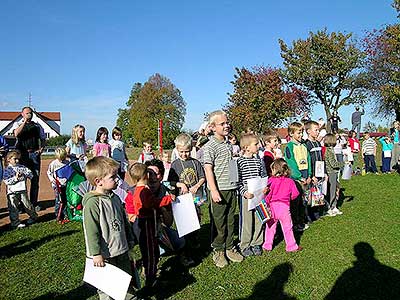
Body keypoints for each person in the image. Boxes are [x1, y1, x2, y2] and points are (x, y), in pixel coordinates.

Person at [82, 156, 137, 300]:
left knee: (125, 281)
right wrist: (96, 253)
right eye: (113, 177)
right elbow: (91, 230)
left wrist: (130, 239)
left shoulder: (115, 198)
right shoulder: (92, 203)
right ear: (98, 181)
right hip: (104, 255)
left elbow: (124, 221)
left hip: (121, 249)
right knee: (107, 288)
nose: (117, 179)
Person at [203, 110, 243, 268]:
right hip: (219, 189)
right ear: (212, 127)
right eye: (222, 124)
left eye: (227, 122)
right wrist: (213, 190)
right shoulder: (210, 146)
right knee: (219, 222)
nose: (227, 125)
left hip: (231, 187)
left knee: (230, 219)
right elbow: (208, 169)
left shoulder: (228, 143)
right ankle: (218, 249)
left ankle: (229, 247)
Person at [125, 162, 175, 288]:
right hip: (146, 223)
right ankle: (150, 277)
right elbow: (153, 203)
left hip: (145, 223)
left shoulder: (138, 190)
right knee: (150, 252)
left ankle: (150, 272)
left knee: (151, 249)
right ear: (145, 176)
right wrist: (168, 199)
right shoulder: (143, 192)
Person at [168, 133, 205, 264]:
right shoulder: (175, 164)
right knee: (184, 227)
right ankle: (184, 253)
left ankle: (194, 245)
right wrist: (180, 184)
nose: (184, 154)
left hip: (195, 199)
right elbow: (170, 182)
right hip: (182, 202)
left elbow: (202, 177)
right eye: (181, 152)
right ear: (177, 150)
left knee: (195, 223)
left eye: (187, 151)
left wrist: (197, 186)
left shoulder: (195, 163)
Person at [262, 158, 303, 252]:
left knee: (270, 227)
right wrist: (289, 198)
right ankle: (291, 246)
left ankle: (267, 245)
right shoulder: (290, 181)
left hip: (272, 207)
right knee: (288, 227)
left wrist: (266, 202)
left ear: (276, 170)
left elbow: (267, 194)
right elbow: (295, 194)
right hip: (284, 207)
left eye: (272, 169)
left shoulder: (271, 180)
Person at [236, 133, 265, 257]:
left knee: (259, 218)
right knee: (247, 221)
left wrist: (265, 188)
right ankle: (245, 244)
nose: (258, 146)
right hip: (246, 197)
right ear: (246, 147)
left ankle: (256, 242)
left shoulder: (258, 161)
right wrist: (244, 193)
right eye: (256, 144)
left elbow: (263, 176)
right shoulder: (239, 162)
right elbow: (237, 181)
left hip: (258, 195)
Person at [13, 106, 46, 211]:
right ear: (22, 114)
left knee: (35, 180)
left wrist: (41, 149)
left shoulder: (37, 126)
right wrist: (24, 122)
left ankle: (33, 203)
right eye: (27, 113)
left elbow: (43, 138)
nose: (29, 115)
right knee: (22, 180)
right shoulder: (18, 124)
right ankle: (23, 205)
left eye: (30, 113)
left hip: (34, 154)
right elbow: (16, 134)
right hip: (22, 155)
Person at [284, 122, 311, 232]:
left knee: (304, 200)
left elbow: (308, 160)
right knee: (296, 202)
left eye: (302, 132)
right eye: (299, 133)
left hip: (305, 176)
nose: (301, 135)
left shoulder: (304, 146)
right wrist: (299, 177)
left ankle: (303, 219)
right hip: (296, 179)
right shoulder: (289, 147)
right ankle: (295, 223)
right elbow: (291, 163)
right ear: (291, 133)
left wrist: (309, 174)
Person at [3, 150, 37, 229]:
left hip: (22, 190)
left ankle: (33, 217)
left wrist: (27, 174)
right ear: (9, 159)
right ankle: (15, 223)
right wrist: (16, 178)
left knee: (27, 205)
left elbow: (31, 175)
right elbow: (7, 181)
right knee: (13, 208)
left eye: (18, 159)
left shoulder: (22, 167)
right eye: (15, 159)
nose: (17, 160)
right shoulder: (7, 170)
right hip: (12, 192)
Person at [303, 121, 327, 221]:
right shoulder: (306, 144)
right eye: (316, 130)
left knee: (319, 194)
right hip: (313, 175)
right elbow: (308, 161)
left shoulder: (317, 143)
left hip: (320, 173)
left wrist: (324, 172)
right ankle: (309, 216)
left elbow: (321, 158)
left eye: (318, 130)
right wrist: (312, 175)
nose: (318, 132)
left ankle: (318, 214)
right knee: (310, 195)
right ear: (308, 131)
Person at [324, 134, 345, 216]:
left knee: (335, 189)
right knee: (332, 191)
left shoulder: (331, 150)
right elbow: (333, 164)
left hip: (335, 172)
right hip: (331, 172)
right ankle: (330, 207)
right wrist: (343, 164)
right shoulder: (328, 151)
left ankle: (334, 206)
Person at [47, 147, 69, 223]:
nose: (62, 160)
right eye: (60, 159)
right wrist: (52, 179)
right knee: (59, 200)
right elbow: (49, 172)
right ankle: (58, 215)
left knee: (66, 200)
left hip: (65, 184)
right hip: (57, 186)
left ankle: (66, 214)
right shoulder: (53, 164)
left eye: (63, 158)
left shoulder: (67, 162)